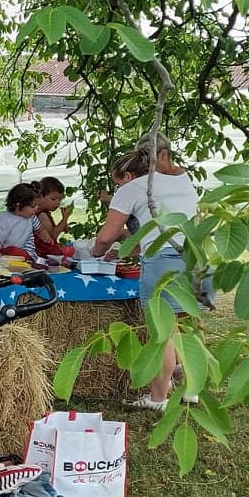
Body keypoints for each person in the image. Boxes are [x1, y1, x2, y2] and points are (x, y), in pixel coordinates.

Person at [89, 132, 202, 412]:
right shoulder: (186, 179)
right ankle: (192, 389)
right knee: (187, 324)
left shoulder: (136, 187)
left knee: (161, 330)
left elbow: (107, 235)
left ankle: (158, 397)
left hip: (163, 258)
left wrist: (94, 253)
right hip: (196, 254)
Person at [0, 183, 42, 260]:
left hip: (26, 253)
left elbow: (39, 230)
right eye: (33, 206)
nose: (36, 208)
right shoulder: (3, 217)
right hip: (4, 252)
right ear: (19, 206)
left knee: (13, 250)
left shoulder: (32, 218)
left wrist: (45, 235)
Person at [33, 177, 73, 258]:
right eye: (53, 199)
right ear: (41, 197)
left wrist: (64, 222)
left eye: (60, 199)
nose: (58, 202)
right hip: (45, 254)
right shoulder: (42, 215)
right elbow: (53, 236)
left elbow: (65, 230)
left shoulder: (45, 212)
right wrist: (65, 218)